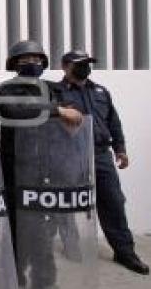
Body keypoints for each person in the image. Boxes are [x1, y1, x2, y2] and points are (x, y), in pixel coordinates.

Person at [0, 40, 85, 289]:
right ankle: (16, 283)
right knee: (16, 227)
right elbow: (15, 110)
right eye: (24, 59)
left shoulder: (53, 88)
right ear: (14, 63)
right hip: (16, 167)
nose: (31, 62)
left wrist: (68, 114)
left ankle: (45, 283)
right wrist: (57, 111)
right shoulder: (7, 88)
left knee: (43, 229)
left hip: (46, 167)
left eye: (36, 58)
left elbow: (74, 114)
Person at [58, 50, 148, 275]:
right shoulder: (56, 92)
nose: (85, 67)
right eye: (80, 64)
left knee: (113, 202)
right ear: (65, 66)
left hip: (101, 154)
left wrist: (121, 149)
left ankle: (125, 252)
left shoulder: (101, 91)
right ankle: (72, 247)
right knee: (71, 203)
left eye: (88, 63)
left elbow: (113, 122)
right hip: (70, 154)